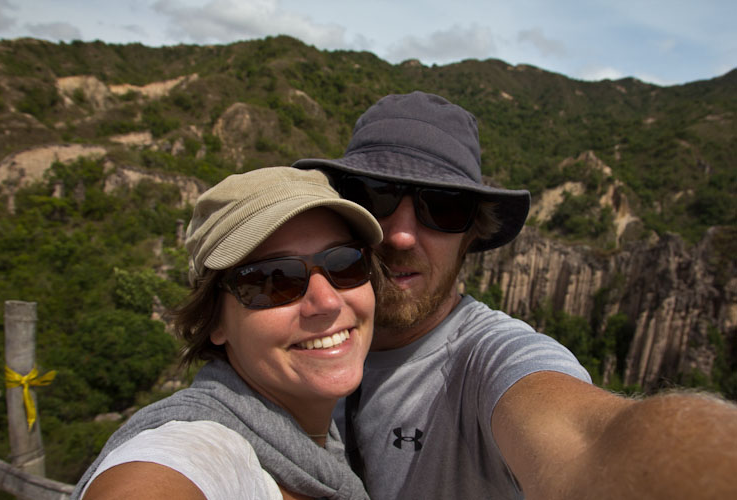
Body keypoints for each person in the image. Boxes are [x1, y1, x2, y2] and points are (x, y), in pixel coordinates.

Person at [293, 91, 737, 499]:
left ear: (472, 235)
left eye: (443, 207)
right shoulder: (290, 331)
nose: (403, 235)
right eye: (375, 196)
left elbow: (590, 442)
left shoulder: (488, 359)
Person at [71, 167, 383, 500]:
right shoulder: (202, 447)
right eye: (274, 280)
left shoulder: (322, 438)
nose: (327, 301)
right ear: (215, 319)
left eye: (345, 263)